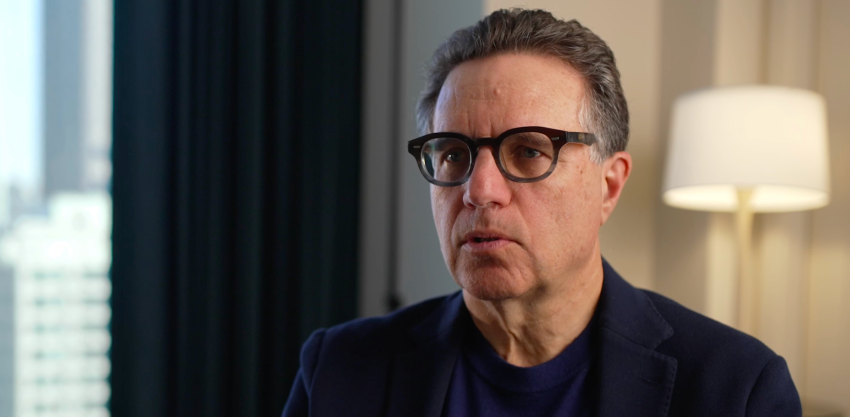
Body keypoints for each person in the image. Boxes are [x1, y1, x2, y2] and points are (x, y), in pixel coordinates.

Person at [282, 8, 801, 416]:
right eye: (455, 154)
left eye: (529, 151)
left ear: (608, 186)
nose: (479, 191)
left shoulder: (736, 388)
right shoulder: (338, 370)